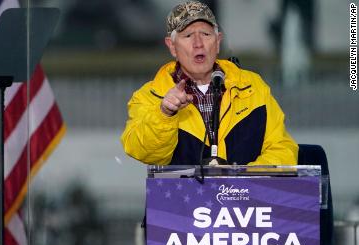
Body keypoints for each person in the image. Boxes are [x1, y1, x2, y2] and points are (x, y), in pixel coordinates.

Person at [121, 0, 298, 166]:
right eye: (188, 35)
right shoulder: (150, 95)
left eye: (205, 34)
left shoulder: (252, 86)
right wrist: (165, 113)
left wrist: (240, 182)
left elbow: (283, 149)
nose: (198, 43)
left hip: (248, 198)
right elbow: (142, 152)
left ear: (218, 42)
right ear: (172, 46)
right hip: (185, 198)